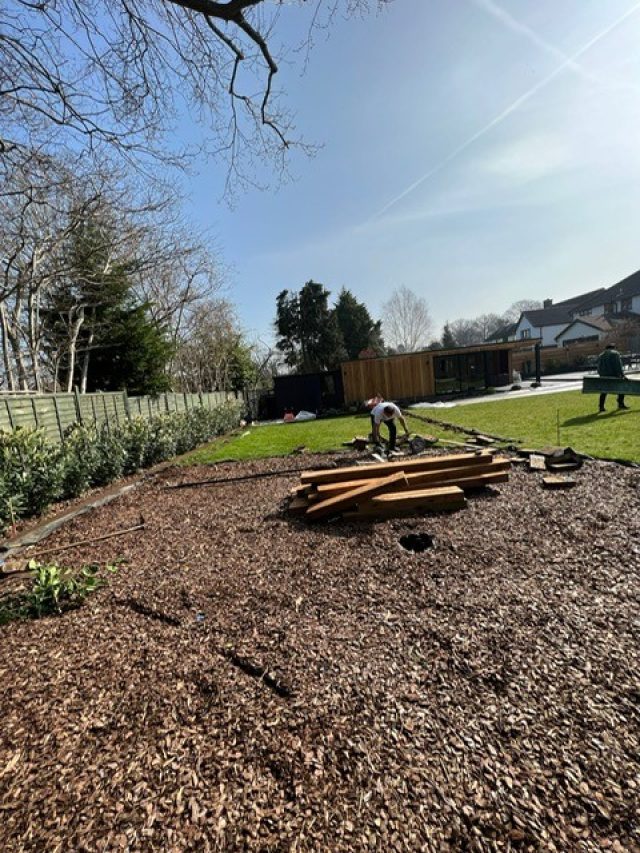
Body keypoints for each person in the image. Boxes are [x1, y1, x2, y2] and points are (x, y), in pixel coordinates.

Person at [597, 343, 629, 412]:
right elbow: (618, 365)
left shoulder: (601, 355)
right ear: (613, 348)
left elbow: (598, 368)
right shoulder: (615, 353)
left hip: (603, 376)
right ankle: (620, 403)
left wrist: (601, 375)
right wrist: (622, 375)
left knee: (604, 391)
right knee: (622, 387)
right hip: (613, 375)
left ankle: (601, 406)